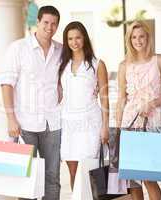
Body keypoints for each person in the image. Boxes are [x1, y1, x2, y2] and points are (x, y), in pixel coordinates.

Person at [0, 6, 62, 200]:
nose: (49, 28)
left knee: (52, 177)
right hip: (24, 124)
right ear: (38, 22)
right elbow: (6, 84)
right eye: (46, 23)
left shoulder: (61, 50)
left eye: (54, 24)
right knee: (26, 179)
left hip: (53, 123)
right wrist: (11, 119)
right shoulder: (18, 48)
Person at [116, 21, 161, 200]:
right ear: (129, 40)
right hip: (130, 121)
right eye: (134, 37)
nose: (138, 40)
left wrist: (153, 103)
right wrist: (118, 129)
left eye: (141, 36)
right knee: (132, 179)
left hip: (153, 121)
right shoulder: (124, 65)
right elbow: (121, 99)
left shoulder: (160, 60)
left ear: (148, 37)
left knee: (149, 177)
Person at [58, 21, 109, 191]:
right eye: (70, 38)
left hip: (90, 123)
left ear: (85, 38)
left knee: (87, 170)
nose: (74, 42)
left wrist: (105, 127)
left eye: (78, 37)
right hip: (68, 123)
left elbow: (104, 98)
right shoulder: (62, 64)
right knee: (73, 172)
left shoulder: (97, 64)